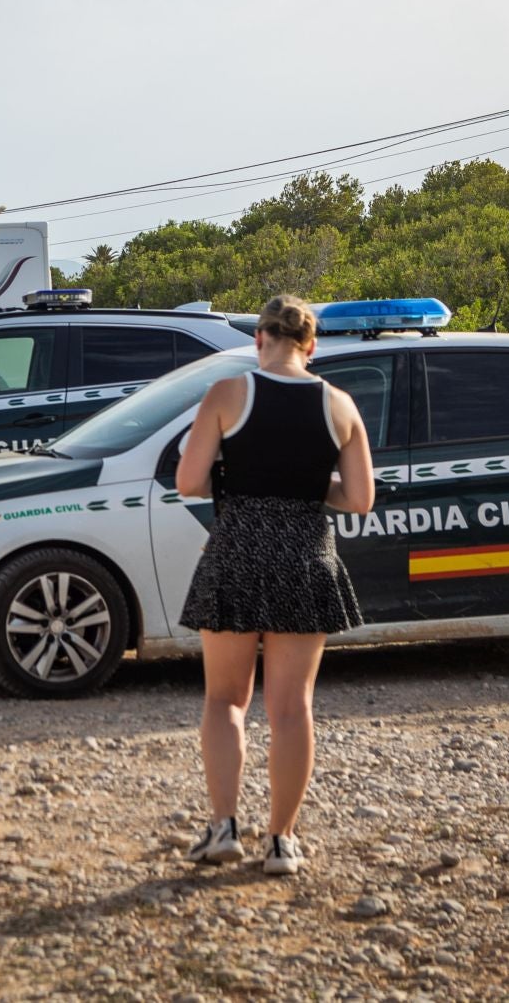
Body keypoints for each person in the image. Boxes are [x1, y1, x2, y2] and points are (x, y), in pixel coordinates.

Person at [174, 295, 374, 877]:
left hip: (236, 549)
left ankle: (223, 829)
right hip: (307, 554)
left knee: (226, 700)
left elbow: (189, 482)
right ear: (312, 346)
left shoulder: (228, 395)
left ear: (259, 341)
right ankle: (282, 842)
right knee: (292, 709)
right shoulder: (340, 404)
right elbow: (359, 499)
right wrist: (309, 490)